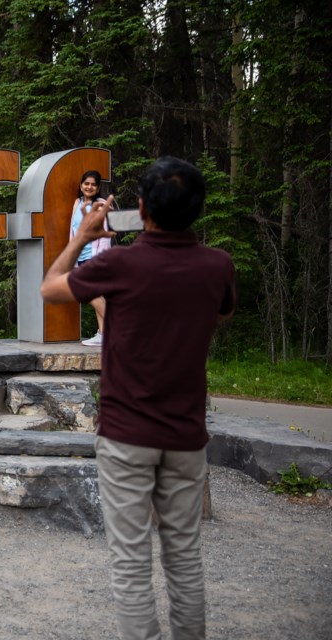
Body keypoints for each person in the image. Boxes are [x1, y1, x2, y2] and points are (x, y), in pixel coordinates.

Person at [40, 157, 236, 640]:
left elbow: (50, 289)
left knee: (131, 563)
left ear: (142, 208)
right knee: (184, 556)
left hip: (127, 435)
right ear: (196, 209)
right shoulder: (217, 265)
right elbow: (223, 313)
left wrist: (83, 236)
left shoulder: (118, 262)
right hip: (186, 435)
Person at [69, 170, 111, 346]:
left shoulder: (101, 205)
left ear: (98, 187)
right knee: (96, 295)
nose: (89, 187)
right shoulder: (77, 202)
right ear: (81, 185)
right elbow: (72, 230)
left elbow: (105, 234)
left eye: (93, 184)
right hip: (80, 256)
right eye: (86, 183)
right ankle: (103, 335)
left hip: (95, 257)